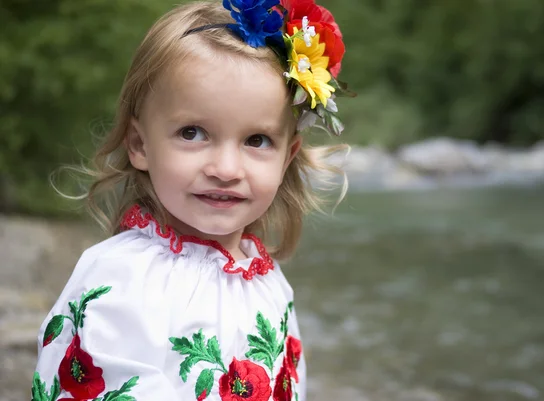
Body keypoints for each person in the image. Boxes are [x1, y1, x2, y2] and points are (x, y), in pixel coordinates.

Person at [31, 0, 353, 400]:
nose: (225, 167)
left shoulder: (268, 282)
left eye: (257, 140)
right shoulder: (121, 277)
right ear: (139, 144)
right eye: (192, 133)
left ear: (287, 157)